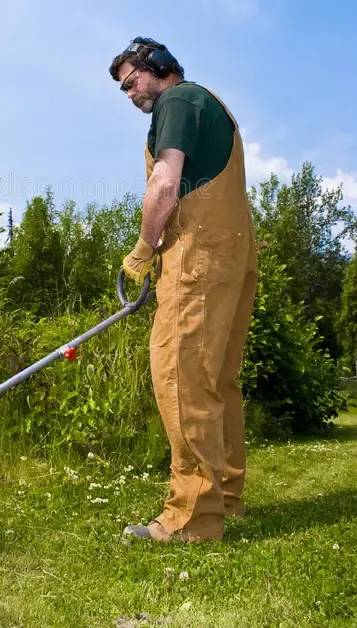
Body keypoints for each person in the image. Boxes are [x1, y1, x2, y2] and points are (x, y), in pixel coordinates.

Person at [109, 37, 258, 544]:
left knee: (181, 377)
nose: (130, 94)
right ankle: (226, 500)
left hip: (197, 256)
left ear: (161, 67)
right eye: (124, 89)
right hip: (233, 256)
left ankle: (191, 518)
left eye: (133, 81)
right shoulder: (212, 108)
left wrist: (143, 251)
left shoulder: (177, 101)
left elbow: (166, 185)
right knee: (218, 382)